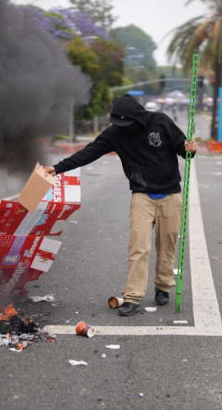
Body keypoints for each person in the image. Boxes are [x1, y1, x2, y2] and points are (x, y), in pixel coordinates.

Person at [42, 94, 197, 316]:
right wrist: (57, 168)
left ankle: (163, 286)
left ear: (138, 118)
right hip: (142, 196)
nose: (124, 128)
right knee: (138, 247)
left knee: (167, 244)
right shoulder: (115, 133)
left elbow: (184, 151)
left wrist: (191, 148)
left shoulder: (160, 121)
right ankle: (133, 297)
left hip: (171, 195)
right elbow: (89, 153)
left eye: (127, 123)